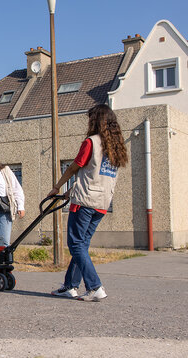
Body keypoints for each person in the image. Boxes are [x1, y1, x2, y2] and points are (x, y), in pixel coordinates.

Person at [48, 104, 128, 302]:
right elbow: (94, 175)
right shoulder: (115, 147)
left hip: (84, 203)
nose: (89, 121)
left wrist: (57, 187)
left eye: (91, 118)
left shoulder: (91, 142)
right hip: (102, 203)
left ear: (97, 120)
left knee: (75, 244)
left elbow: (74, 169)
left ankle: (95, 286)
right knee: (81, 245)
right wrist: (71, 191)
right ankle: (70, 286)